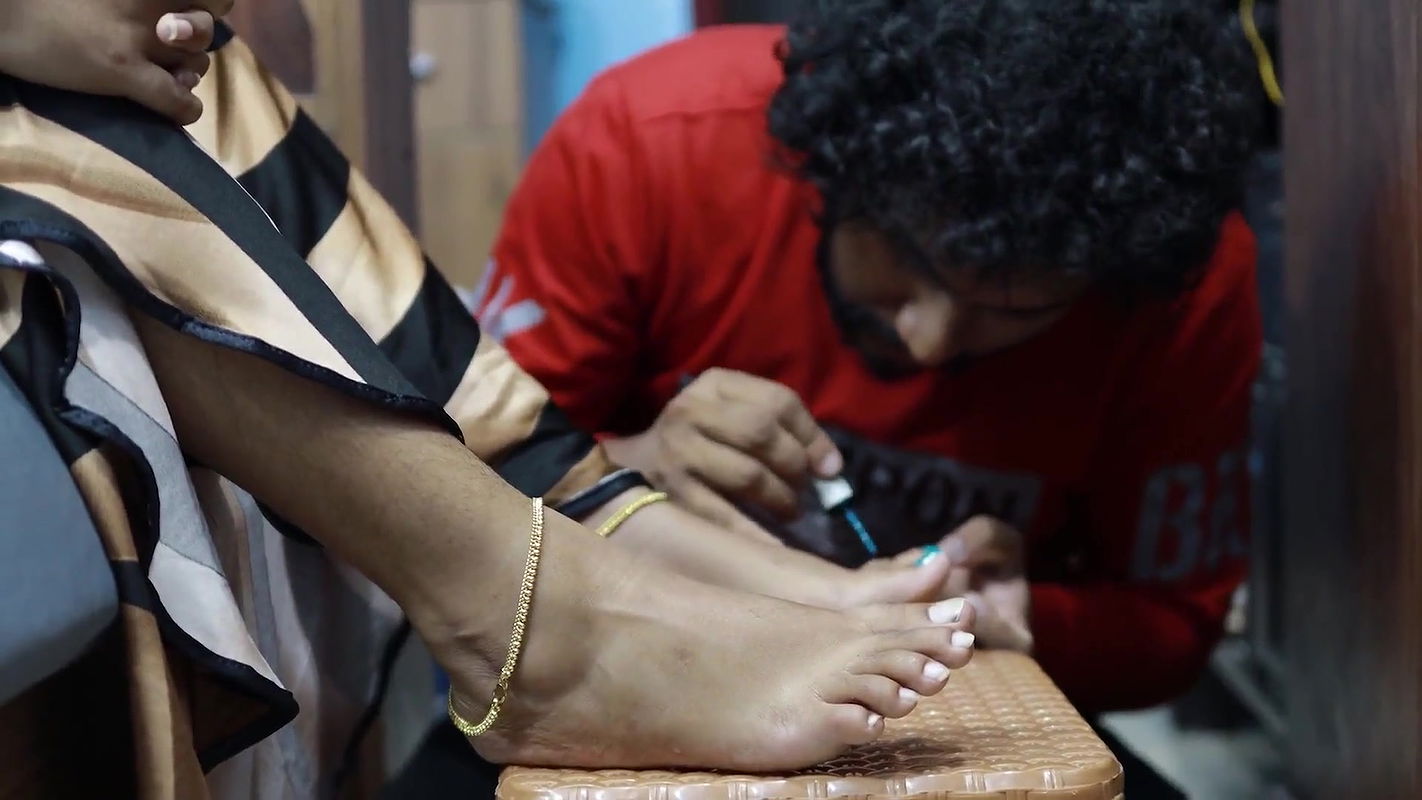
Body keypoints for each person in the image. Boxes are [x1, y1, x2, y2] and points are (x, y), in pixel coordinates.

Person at [0, 3, 976, 798]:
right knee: (80, 112)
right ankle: (530, 618)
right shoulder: (659, 131)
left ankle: (586, 514)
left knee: (201, 76)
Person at [480, 0, 1262, 714]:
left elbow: (1175, 626)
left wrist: (1032, 619)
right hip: (619, 677)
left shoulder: (1176, 280)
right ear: (835, 172)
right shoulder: (651, 142)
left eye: (1015, 310)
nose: (928, 341)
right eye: (906, 261)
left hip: (957, 704)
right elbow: (449, 508)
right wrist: (624, 472)